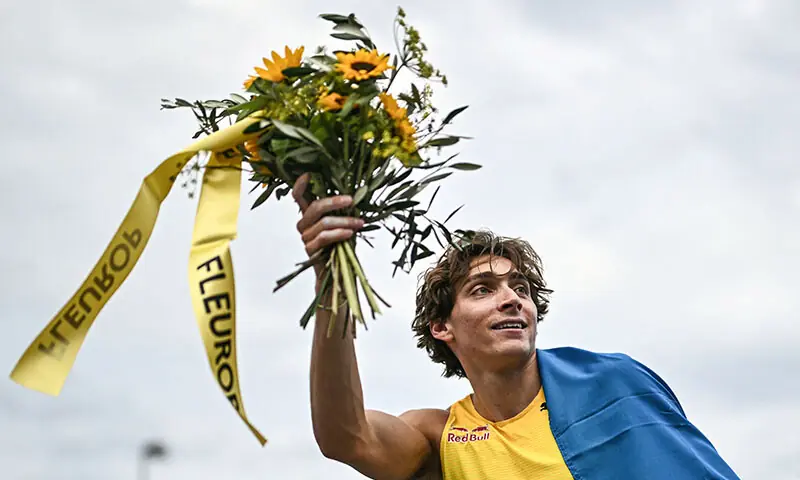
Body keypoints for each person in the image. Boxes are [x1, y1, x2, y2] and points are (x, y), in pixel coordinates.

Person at [291, 173, 740, 480]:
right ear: (442, 327)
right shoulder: (440, 435)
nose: (511, 298)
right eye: (482, 289)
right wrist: (333, 284)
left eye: (519, 288)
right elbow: (346, 437)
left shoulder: (615, 381)